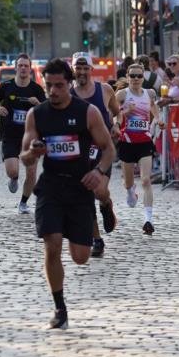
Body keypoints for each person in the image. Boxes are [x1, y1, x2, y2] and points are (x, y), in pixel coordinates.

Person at [20, 58, 114, 330]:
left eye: (59, 85)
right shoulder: (37, 115)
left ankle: (106, 203)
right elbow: (25, 158)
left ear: (70, 84)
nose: (53, 91)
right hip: (50, 187)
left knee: (81, 257)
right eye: (48, 85)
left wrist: (99, 171)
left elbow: (108, 149)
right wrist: (32, 153)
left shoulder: (88, 112)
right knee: (52, 245)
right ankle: (59, 308)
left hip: (80, 186)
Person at [71, 52, 119, 256]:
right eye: (78, 68)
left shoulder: (105, 89)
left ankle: (107, 205)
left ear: (91, 69)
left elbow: (116, 112)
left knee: (99, 192)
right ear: (73, 70)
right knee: (85, 197)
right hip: (79, 154)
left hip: (102, 150)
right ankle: (96, 240)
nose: (82, 72)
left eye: (85, 68)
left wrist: (115, 125)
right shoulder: (68, 94)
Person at [0, 54, 46, 213]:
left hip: (31, 135)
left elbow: (47, 107)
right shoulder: (6, 86)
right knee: (13, 170)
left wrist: (39, 104)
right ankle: (13, 178)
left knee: (31, 171)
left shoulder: (36, 89)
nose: (23, 68)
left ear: (30, 69)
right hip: (10, 134)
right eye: (20, 65)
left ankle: (23, 203)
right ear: (16, 68)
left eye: (26, 66)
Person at [116, 63, 159, 234]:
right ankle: (130, 192)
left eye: (139, 76)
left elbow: (153, 107)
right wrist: (126, 111)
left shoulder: (149, 94)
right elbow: (113, 114)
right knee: (128, 182)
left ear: (143, 78)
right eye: (132, 76)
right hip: (127, 142)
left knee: (146, 180)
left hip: (144, 142)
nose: (135, 79)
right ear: (127, 77)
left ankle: (148, 220)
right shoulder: (121, 94)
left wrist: (157, 118)